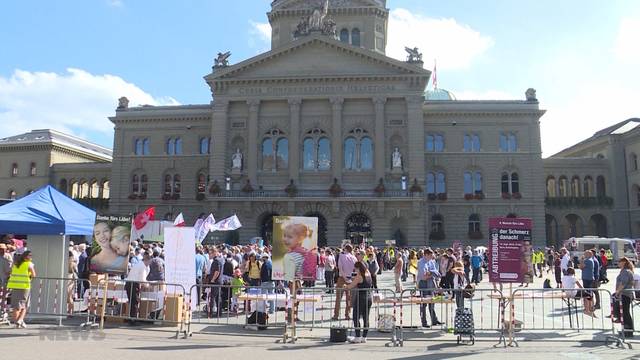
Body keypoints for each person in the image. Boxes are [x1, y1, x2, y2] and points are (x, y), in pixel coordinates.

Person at [344, 261, 372, 344]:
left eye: (356, 268)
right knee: (366, 317)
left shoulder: (359, 276)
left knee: (356, 317)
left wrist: (345, 286)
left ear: (359, 268)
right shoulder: (368, 274)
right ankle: (364, 337)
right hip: (369, 297)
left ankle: (357, 336)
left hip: (360, 298)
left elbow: (350, 286)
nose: (355, 270)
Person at [7, 249, 36, 328]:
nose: (31, 257)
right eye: (30, 256)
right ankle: (20, 320)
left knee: (16, 306)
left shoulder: (15, 264)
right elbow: (34, 275)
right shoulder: (29, 264)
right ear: (25, 257)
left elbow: (10, 272)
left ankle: (17, 322)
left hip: (15, 285)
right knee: (24, 305)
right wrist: (29, 276)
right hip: (25, 286)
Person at [417, 248, 443, 328]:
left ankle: (434, 320)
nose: (432, 257)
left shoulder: (432, 261)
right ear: (426, 255)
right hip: (423, 284)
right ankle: (424, 322)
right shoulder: (421, 262)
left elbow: (437, 273)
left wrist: (431, 273)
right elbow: (424, 276)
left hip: (431, 283)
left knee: (432, 302)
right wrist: (432, 273)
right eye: (430, 255)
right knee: (424, 303)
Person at [125, 253, 151, 325]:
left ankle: (132, 318)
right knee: (134, 302)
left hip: (130, 283)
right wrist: (148, 286)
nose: (149, 263)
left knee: (132, 302)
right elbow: (142, 279)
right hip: (133, 284)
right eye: (149, 262)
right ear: (147, 260)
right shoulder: (142, 266)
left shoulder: (139, 265)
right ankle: (133, 320)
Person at [613, 257, 635, 338]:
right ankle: (626, 330)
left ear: (624, 262)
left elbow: (623, 283)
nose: (618, 262)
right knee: (624, 313)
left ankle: (628, 331)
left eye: (619, 261)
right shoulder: (624, 271)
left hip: (624, 294)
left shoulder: (625, 271)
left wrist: (617, 292)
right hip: (624, 294)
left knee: (625, 313)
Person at [333, 244, 356, 320]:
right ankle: (347, 315)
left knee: (338, 298)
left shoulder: (341, 256)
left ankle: (336, 315)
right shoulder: (353, 258)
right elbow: (355, 270)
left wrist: (344, 276)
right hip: (350, 278)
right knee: (348, 298)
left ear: (345, 249)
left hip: (342, 278)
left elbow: (340, 267)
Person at [0, 243, 12, 319]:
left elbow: (10, 268)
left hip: (6, 279)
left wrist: (9, 276)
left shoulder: (8, 256)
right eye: (1, 249)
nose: (3, 250)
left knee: (4, 295)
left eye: (4, 249)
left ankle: (3, 310)